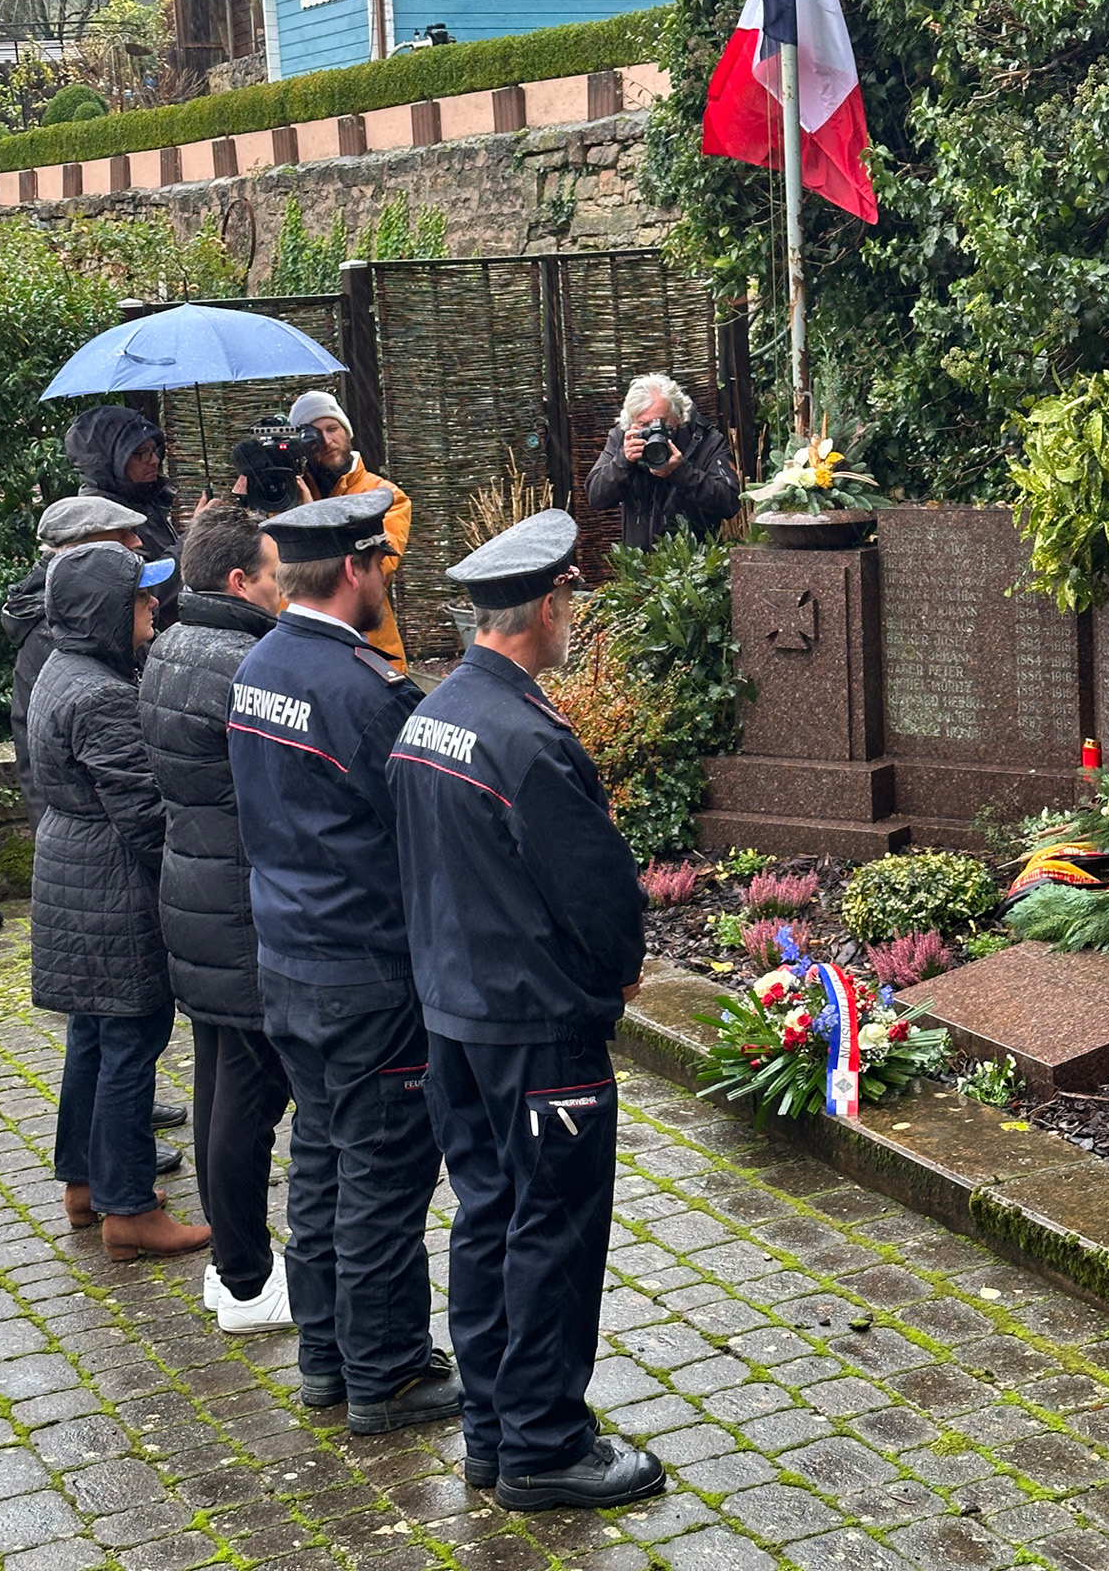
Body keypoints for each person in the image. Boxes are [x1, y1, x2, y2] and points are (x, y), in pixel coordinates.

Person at [388, 509, 660, 1511]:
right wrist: (617, 971)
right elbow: (596, 891)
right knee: (552, 1231)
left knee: (488, 1217)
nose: (573, 618)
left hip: (455, 1017)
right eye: (570, 601)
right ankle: (545, 1445)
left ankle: (494, 1432)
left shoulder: (430, 715)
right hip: (538, 1029)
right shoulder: (528, 740)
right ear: (546, 607)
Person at [226, 490, 458, 1434]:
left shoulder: (259, 665)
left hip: (289, 958)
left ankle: (325, 1357)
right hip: (367, 970)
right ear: (356, 568)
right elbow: (425, 829)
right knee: (382, 1174)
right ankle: (387, 1374)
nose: (385, 583)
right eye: (382, 567)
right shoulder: (368, 692)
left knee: (321, 1162)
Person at [28, 541, 210, 1262]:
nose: (153, 605)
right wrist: (193, 879)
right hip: (111, 883)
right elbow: (143, 815)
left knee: (93, 1035)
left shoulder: (61, 668)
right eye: (139, 596)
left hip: (72, 870)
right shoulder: (102, 694)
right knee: (132, 1040)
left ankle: (84, 1183)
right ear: (104, 610)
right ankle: (127, 1208)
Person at [139, 501, 294, 1334]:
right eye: (274, 576)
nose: (283, 589)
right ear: (240, 580)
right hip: (239, 903)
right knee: (248, 1099)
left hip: (195, 894)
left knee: (218, 1085)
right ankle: (246, 1280)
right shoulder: (246, 665)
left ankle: (229, 1268)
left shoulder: (170, 644)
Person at [1, 496, 146, 831]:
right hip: (97, 833)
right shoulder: (58, 627)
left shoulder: (86, 611)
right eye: (121, 535)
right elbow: (38, 752)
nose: (136, 542)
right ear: (77, 550)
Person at [286, 391, 411, 672]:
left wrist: (311, 518)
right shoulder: (287, 498)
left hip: (367, 648)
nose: (327, 441)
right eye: (313, 435)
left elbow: (374, 568)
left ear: (347, 431)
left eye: (333, 428)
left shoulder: (384, 496)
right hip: (299, 651)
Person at [585, 373, 739, 550]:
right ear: (631, 422)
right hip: (639, 562)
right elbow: (595, 496)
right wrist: (623, 461)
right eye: (644, 425)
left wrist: (682, 472)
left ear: (678, 416)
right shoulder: (623, 438)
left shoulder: (705, 440)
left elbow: (730, 502)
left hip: (698, 560)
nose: (653, 431)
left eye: (661, 423)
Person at [65, 406, 184, 623]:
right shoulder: (100, 522)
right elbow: (145, 594)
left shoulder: (142, 499)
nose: (154, 460)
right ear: (109, 462)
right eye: (141, 454)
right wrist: (193, 541)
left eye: (154, 450)